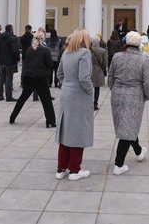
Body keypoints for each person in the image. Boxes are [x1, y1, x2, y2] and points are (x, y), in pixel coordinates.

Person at [108, 31, 149, 175]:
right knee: (127, 129)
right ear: (138, 43)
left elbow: (110, 77)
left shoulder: (116, 56)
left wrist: (115, 89)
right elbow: (148, 82)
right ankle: (118, 164)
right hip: (134, 95)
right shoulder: (143, 60)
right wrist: (147, 96)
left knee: (127, 125)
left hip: (117, 94)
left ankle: (139, 151)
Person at [55, 28, 94, 181]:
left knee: (65, 130)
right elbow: (84, 78)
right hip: (79, 95)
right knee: (78, 131)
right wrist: (90, 91)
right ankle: (75, 170)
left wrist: (67, 85)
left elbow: (59, 74)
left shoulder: (66, 52)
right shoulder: (84, 53)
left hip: (66, 93)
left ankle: (61, 168)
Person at [9, 30, 56, 127]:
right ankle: (51, 121)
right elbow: (50, 64)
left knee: (23, 98)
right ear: (43, 39)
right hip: (40, 77)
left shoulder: (30, 49)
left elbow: (26, 62)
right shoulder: (45, 50)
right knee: (46, 100)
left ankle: (12, 116)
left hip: (28, 76)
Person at [0, 24, 20, 102]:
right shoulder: (12, 38)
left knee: (1, 78)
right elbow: (14, 50)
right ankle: (9, 96)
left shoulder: (0, 37)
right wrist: (17, 58)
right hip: (10, 61)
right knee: (9, 78)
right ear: (11, 29)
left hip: (2, 61)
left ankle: (0, 96)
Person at [90, 37, 108, 110]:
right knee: (97, 88)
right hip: (99, 71)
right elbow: (105, 62)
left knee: (89, 88)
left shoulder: (88, 50)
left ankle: (89, 102)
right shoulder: (103, 51)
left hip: (90, 70)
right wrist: (104, 68)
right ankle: (95, 103)